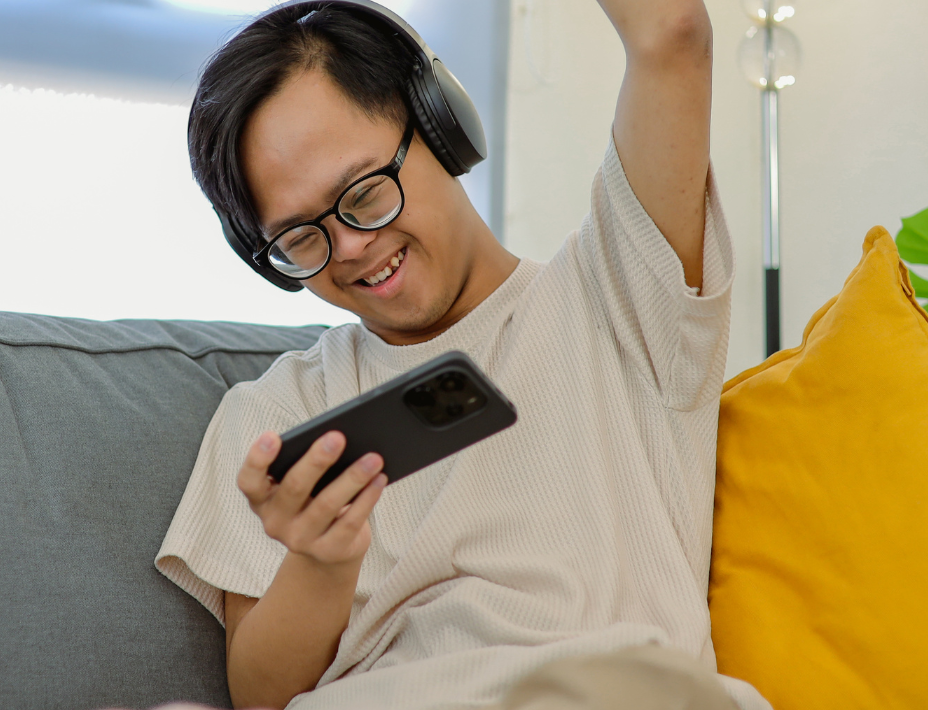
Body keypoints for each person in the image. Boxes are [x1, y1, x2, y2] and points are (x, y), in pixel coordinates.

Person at [156, 2, 772, 709]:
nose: (349, 247)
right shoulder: (275, 414)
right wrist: (321, 562)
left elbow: (673, 33)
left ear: (440, 128)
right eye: (300, 238)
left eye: (364, 193)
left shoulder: (622, 297)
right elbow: (260, 698)